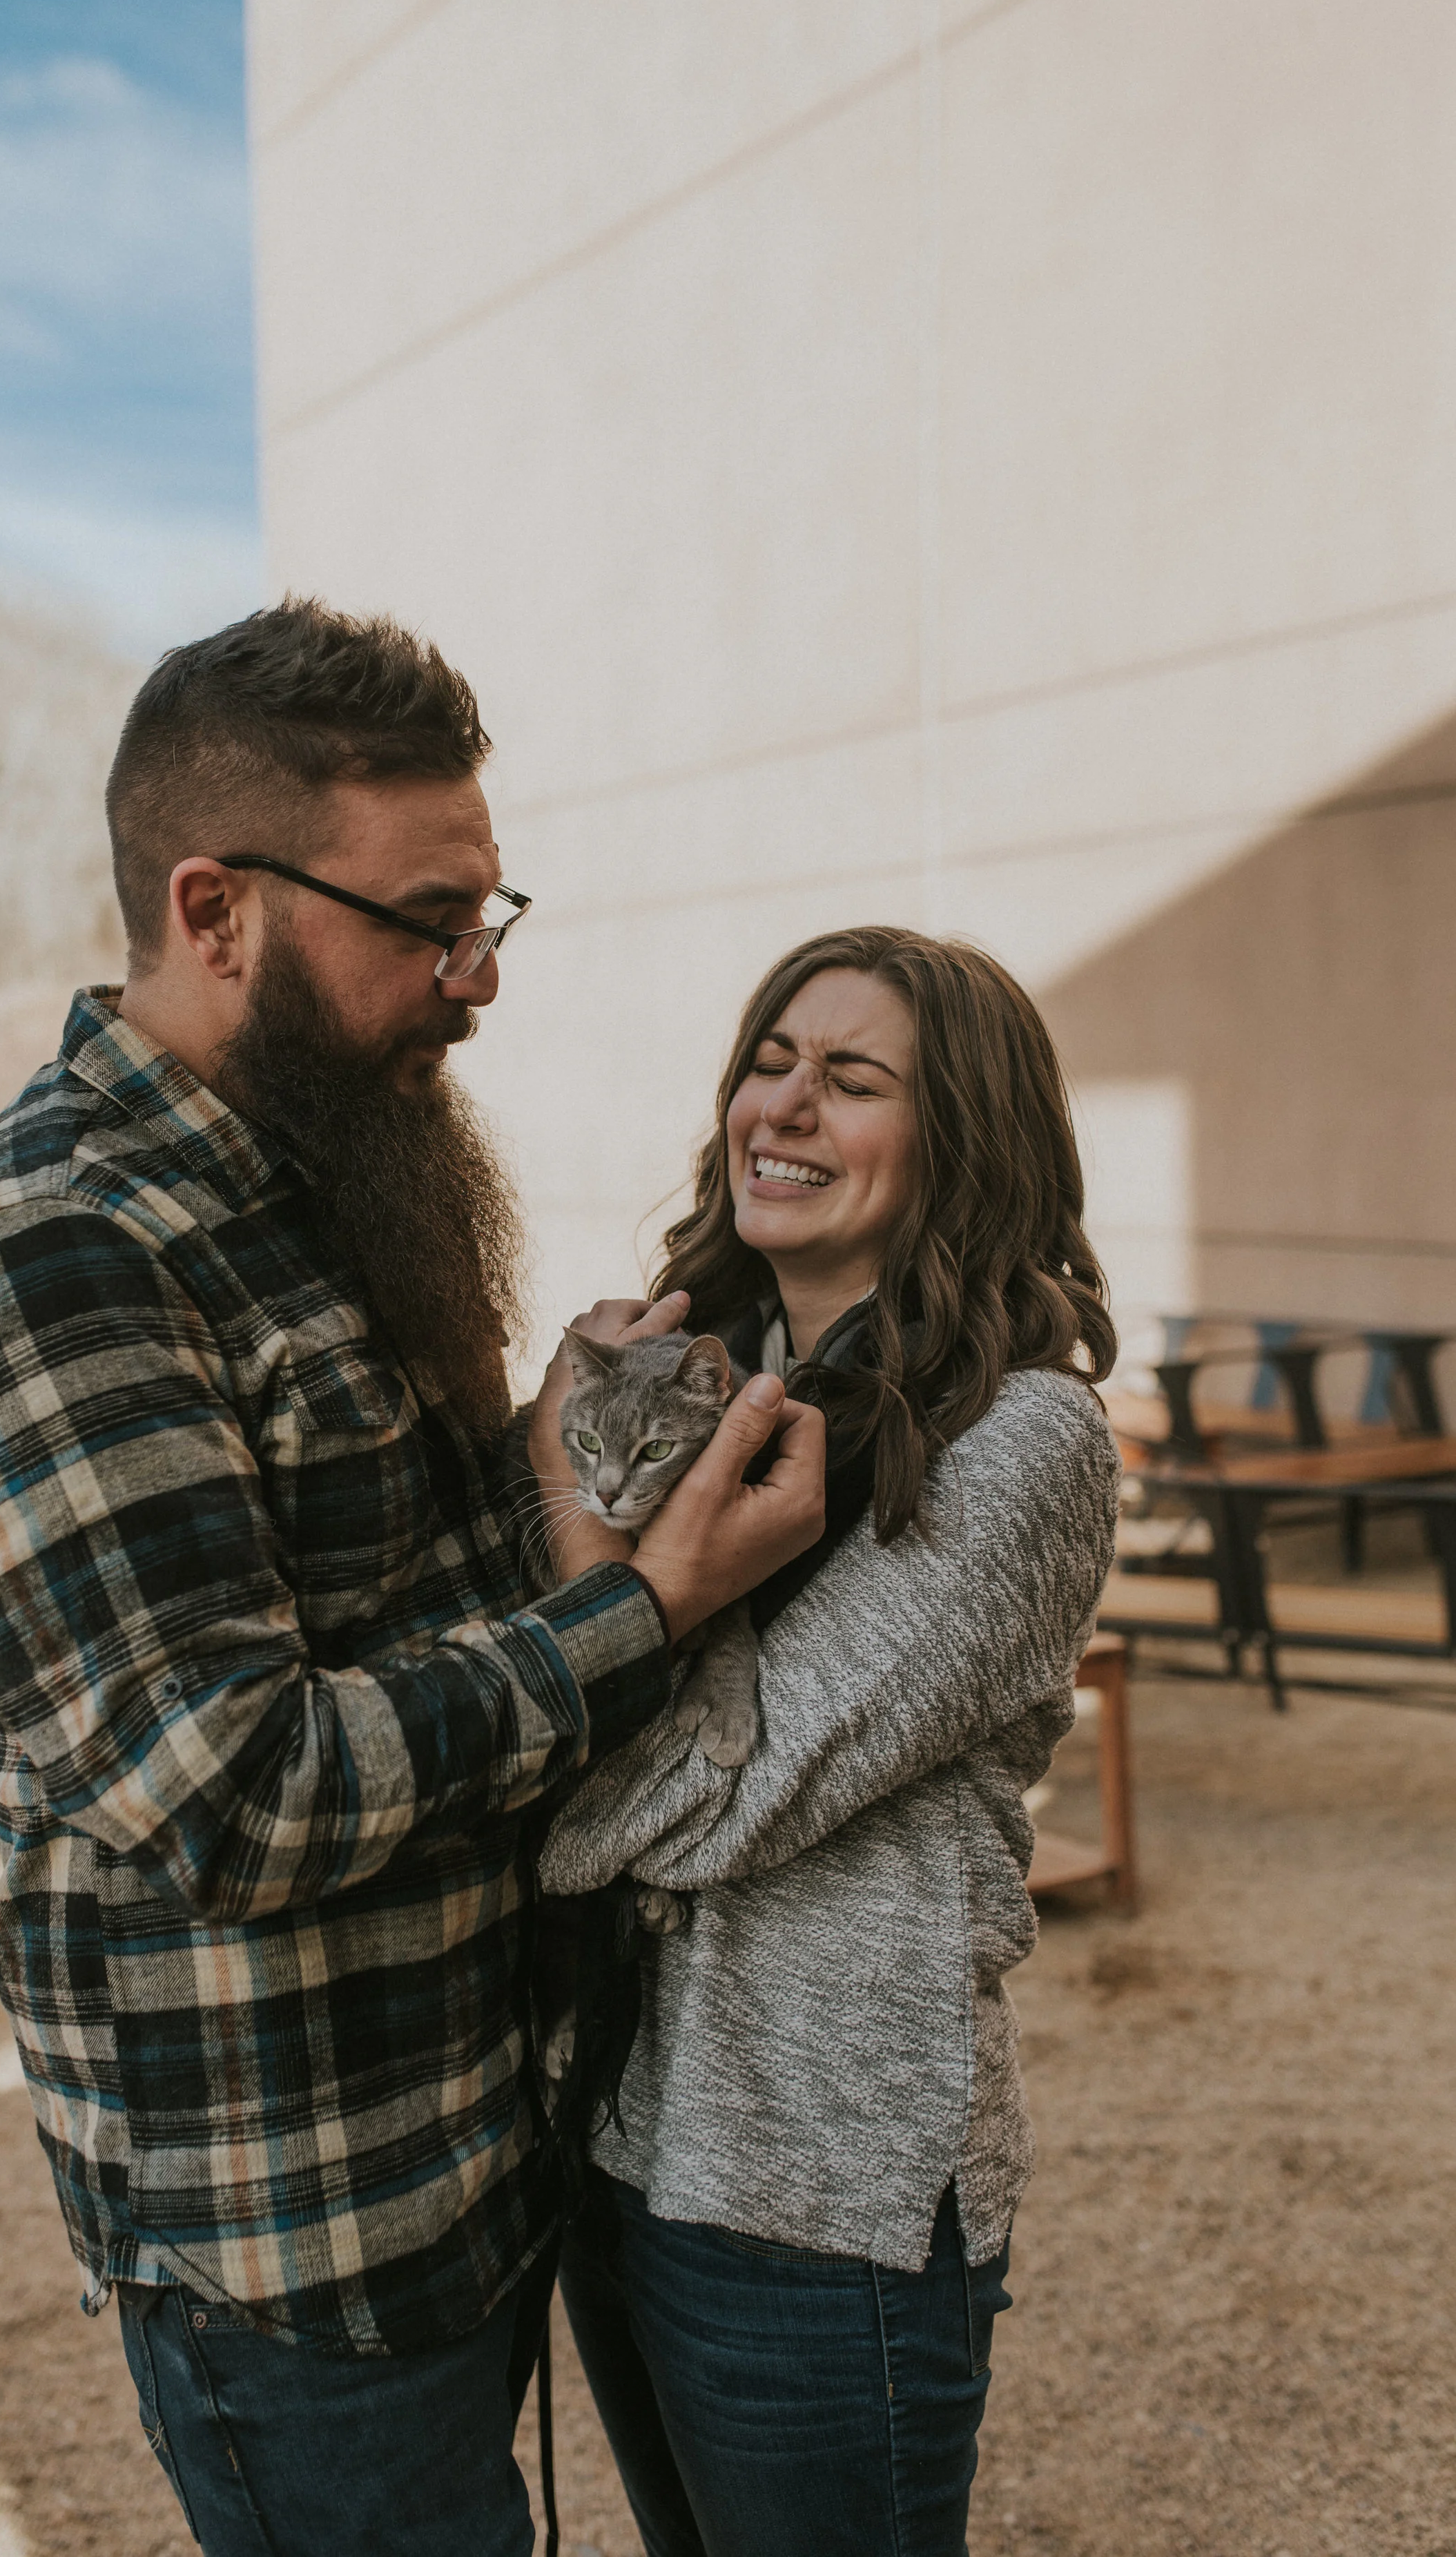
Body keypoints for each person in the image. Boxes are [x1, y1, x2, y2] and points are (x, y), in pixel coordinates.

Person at [0, 597, 824, 2557]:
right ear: (214, 909)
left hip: (467, 2141)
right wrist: (648, 1610)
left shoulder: (329, 1168)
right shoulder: (50, 1247)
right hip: (290, 2231)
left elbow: (424, 1597)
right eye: (426, 919)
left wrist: (554, 1454)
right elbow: (236, 1782)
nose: (479, 976)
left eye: (494, 911)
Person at [525, 925, 1121, 2557]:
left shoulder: (1021, 1439)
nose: (779, 1107)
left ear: (960, 1141)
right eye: (767, 1061)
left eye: (850, 1079)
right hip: (618, 2138)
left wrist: (571, 1540)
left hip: (810, 2187)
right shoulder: (704, 1373)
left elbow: (711, 1806)